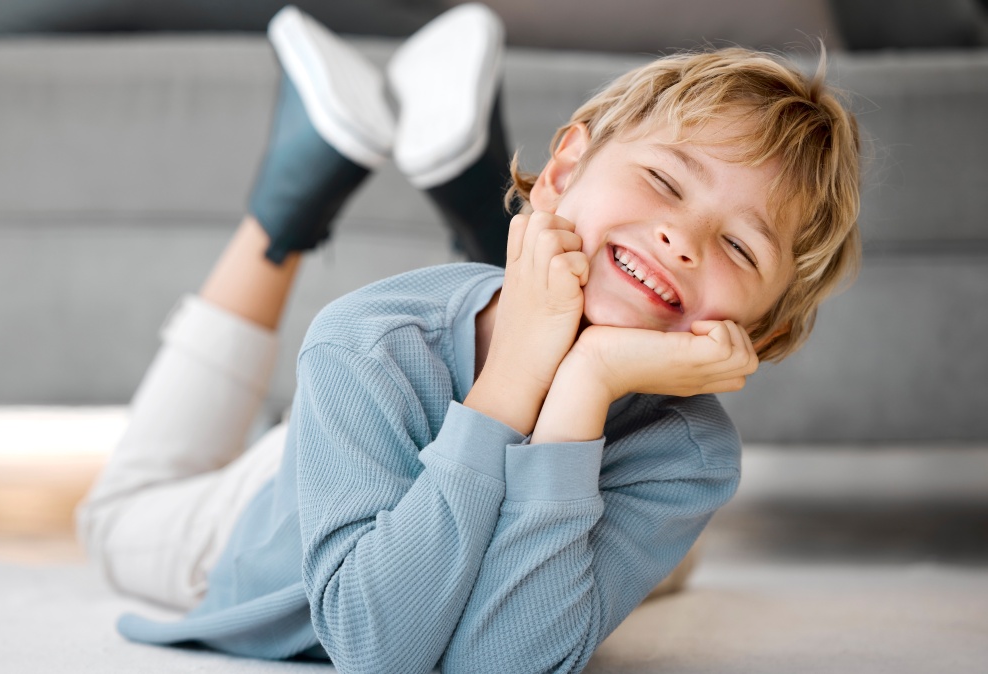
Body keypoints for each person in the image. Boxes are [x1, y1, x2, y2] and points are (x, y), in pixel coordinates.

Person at [75, 3, 862, 673]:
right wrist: (521, 374)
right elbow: (378, 646)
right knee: (115, 522)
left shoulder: (689, 457)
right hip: (282, 492)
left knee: (667, 560)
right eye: (662, 180)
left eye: (740, 248)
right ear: (560, 172)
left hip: (438, 432)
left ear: (767, 330)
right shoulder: (367, 342)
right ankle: (290, 199)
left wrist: (583, 384)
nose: (683, 238)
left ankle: (480, 209)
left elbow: (499, 660)